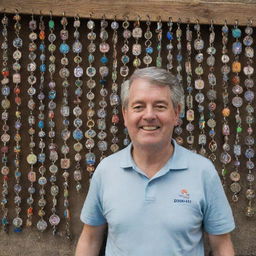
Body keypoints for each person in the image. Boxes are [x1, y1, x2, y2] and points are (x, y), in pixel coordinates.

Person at [75, 67, 235, 256]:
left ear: (176, 114)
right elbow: (90, 239)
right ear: (125, 115)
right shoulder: (106, 171)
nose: (149, 115)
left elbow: (221, 246)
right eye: (138, 106)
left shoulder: (203, 171)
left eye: (160, 106)